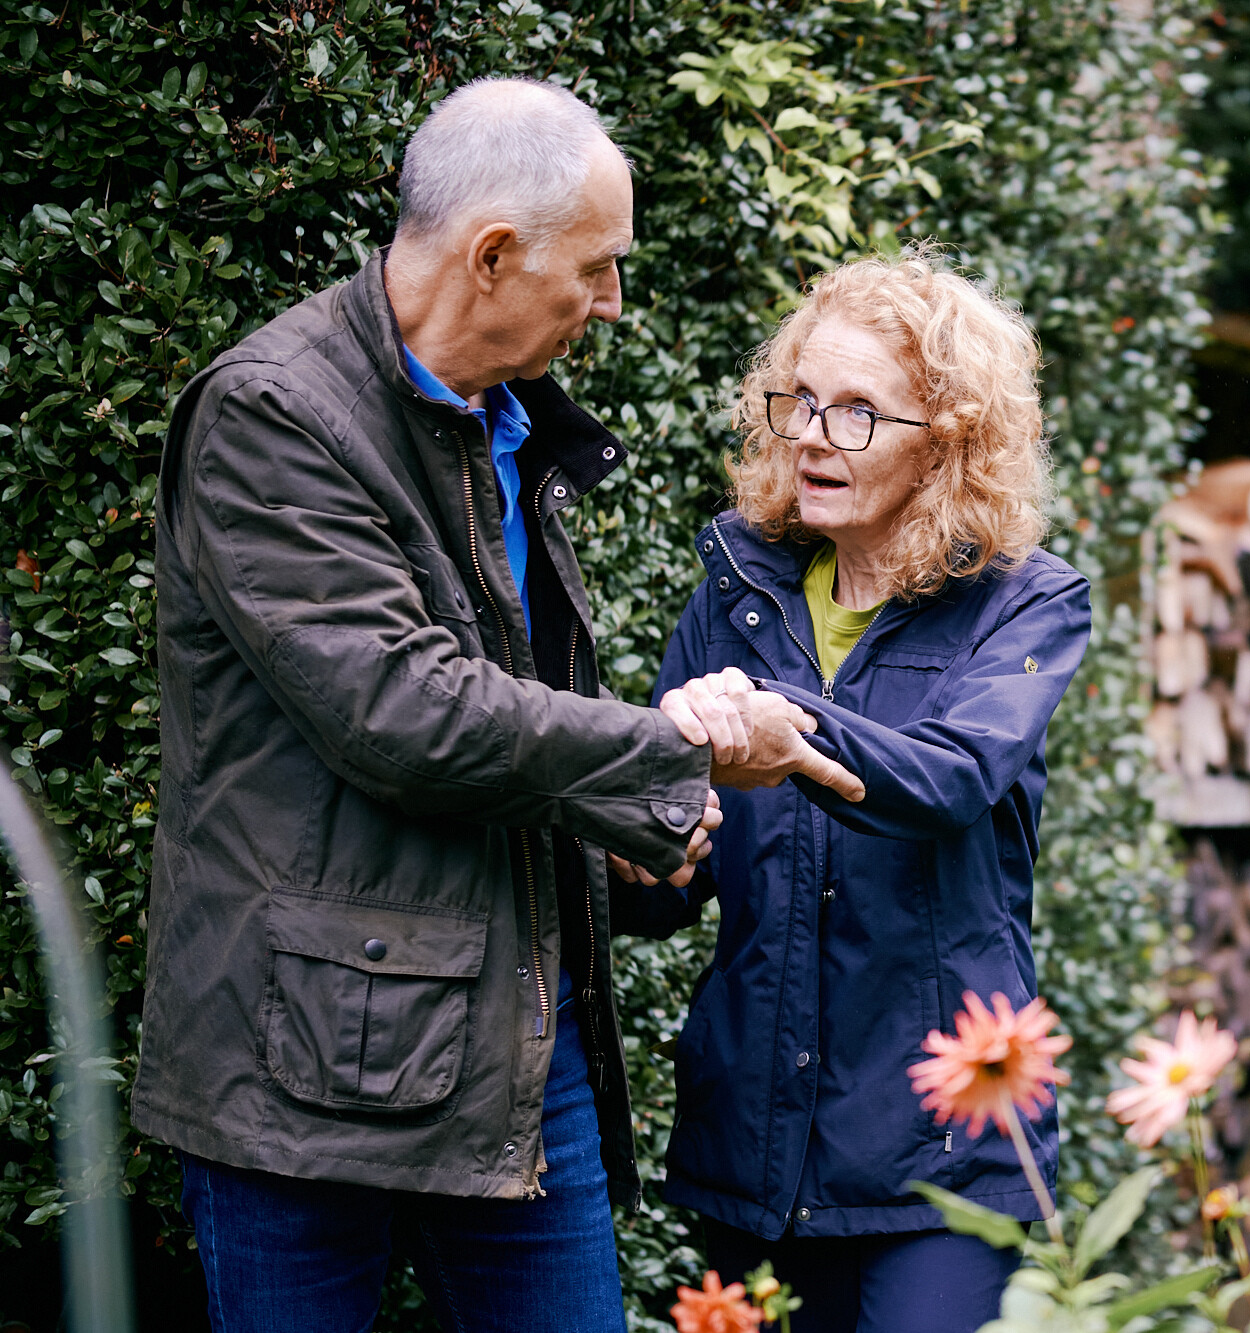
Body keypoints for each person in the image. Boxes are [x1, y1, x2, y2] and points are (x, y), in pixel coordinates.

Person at [132, 78, 860, 1333]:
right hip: (297, 1060)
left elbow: (514, 718)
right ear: (492, 255)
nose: (612, 303)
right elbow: (403, 712)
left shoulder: (506, 424)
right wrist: (671, 751)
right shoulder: (273, 414)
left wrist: (630, 831)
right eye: (597, 268)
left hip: (521, 1046)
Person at [646, 248, 1092, 1333]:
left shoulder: (1026, 606)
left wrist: (780, 728)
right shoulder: (738, 594)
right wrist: (639, 835)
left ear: (944, 446)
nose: (809, 433)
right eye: (799, 400)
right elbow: (666, 871)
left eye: (855, 412)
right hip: (749, 1150)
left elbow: (950, 775)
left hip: (939, 1157)